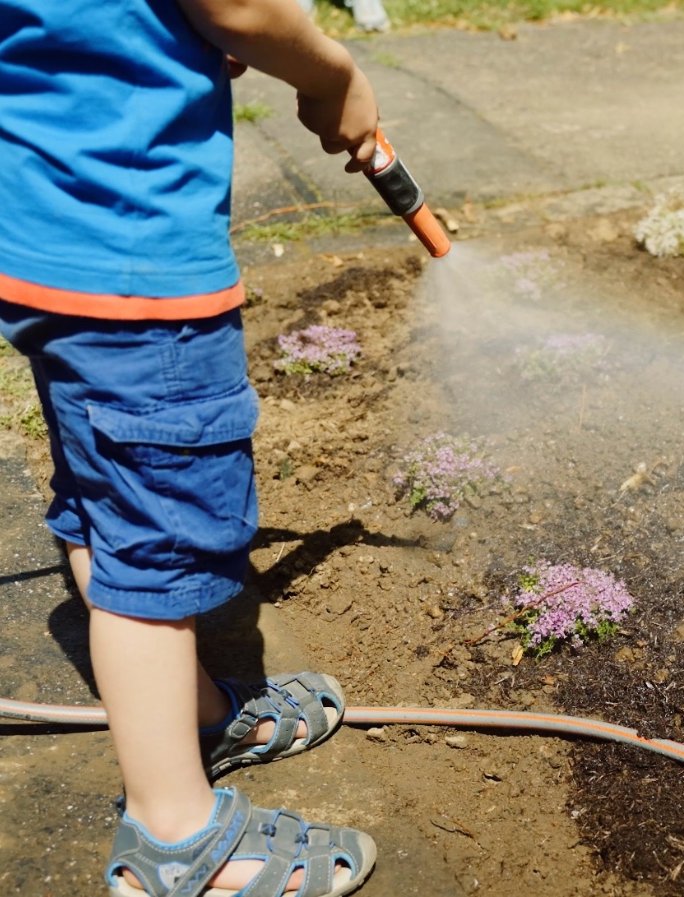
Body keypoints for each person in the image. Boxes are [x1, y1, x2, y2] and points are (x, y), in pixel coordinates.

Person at [0, 1, 382, 895]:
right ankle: (175, 834)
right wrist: (333, 76)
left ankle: (203, 715)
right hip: (138, 265)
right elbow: (241, 6)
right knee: (157, 552)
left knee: (105, 496)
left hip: (43, 239)